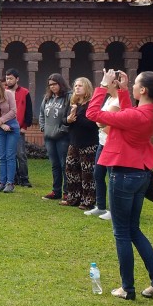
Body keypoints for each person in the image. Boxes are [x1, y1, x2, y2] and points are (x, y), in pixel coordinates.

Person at [86, 68, 153, 301]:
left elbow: (93, 114)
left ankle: (127, 288)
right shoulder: (151, 111)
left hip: (123, 175)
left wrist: (103, 86)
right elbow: (130, 113)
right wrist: (123, 91)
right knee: (133, 229)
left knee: (122, 233)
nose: (131, 85)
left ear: (143, 90)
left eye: (135, 84)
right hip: (140, 173)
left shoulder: (137, 116)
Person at [61, 77, 99, 209]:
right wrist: (69, 119)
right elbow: (64, 120)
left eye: (80, 86)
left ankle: (88, 200)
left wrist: (75, 117)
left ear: (87, 88)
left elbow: (92, 124)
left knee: (87, 173)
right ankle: (73, 198)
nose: (77, 88)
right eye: (75, 85)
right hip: (74, 143)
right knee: (71, 170)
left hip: (88, 144)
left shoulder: (91, 104)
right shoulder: (73, 103)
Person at [85, 96, 121, 220]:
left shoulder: (117, 101)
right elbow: (99, 120)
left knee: (112, 178)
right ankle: (100, 206)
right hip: (102, 142)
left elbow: (101, 121)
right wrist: (100, 121)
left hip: (111, 144)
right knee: (98, 174)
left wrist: (99, 121)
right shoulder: (110, 98)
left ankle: (113, 210)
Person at [40, 73, 72, 200]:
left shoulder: (68, 97)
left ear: (61, 83)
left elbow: (70, 117)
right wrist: (42, 127)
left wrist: (62, 130)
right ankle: (56, 191)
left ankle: (67, 192)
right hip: (49, 137)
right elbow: (41, 114)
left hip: (62, 137)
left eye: (55, 84)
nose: (52, 87)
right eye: (50, 85)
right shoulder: (48, 98)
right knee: (55, 165)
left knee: (64, 164)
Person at [5, 69, 34, 187]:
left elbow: (29, 110)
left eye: (11, 78)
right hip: (5, 127)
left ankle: (24, 178)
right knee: (9, 155)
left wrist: (25, 126)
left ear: (17, 79)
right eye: (7, 78)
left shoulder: (25, 92)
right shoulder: (4, 92)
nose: (8, 80)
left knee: (20, 154)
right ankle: (14, 178)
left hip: (19, 127)